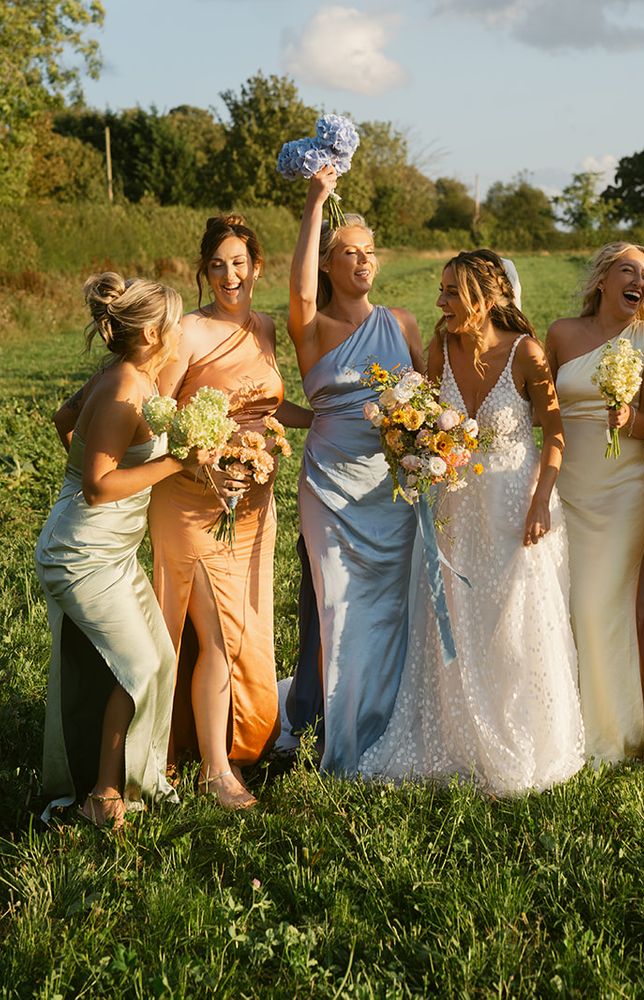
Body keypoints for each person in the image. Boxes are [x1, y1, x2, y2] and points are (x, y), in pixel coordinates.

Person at [359, 249, 585, 794]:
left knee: (512, 622)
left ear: (482, 300)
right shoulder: (441, 347)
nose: (440, 302)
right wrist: (413, 442)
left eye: (451, 292)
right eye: (441, 290)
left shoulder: (526, 353)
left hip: (514, 504)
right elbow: (427, 417)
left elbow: (555, 434)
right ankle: (458, 737)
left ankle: (521, 734)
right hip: (455, 507)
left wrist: (540, 500)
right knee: (457, 618)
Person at [148, 215, 311, 810]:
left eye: (239, 262)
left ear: (256, 267)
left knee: (244, 629)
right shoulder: (187, 332)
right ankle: (214, 772)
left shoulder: (264, 327)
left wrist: (327, 418)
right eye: (217, 265)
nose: (229, 275)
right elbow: (158, 415)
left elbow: (267, 405)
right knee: (216, 633)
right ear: (204, 271)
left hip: (252, 505)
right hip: (191, 500)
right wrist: (203, 465)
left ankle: (220, 743)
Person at [39, 273, 211, 829]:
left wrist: (83, 464)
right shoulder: (122, 392)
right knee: (139, 665)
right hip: (82, 553)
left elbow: (65, 420)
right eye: (176, 323)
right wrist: (175, 463)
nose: (181, 331)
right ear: (154, 333)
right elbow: (97, 487)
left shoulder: (127, 377)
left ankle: (137, 776)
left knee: (159, 657)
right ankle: (104, 794)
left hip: (111, 552)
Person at [278, 167, 423, 774]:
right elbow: (300, 291)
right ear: (327, 264)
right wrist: (316, 201)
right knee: (338, 604)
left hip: (392, 488)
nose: (363, 261)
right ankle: (333, 735)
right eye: (350, 252)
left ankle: (385, 721)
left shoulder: (403, 322)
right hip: (331, 487)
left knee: (389, 607)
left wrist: (431, 441)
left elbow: (431, 398)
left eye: (369, 252)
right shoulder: (312, 327)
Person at [546, 243, 644, 764]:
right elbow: (540, 409)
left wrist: (629, 419)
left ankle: (612, 736)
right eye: (629, 271)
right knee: (562, 603)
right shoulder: (560, 334)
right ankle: (563, 724)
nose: (639, 282)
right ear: (602, 279)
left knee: (598, 605)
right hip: (566, 487)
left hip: (623, 491)